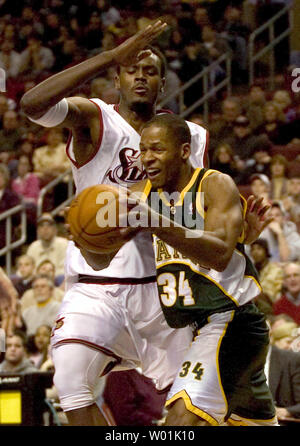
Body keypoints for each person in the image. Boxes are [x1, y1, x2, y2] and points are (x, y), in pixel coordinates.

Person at [20, 20, 209, 426]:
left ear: (163, 85)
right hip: (96, 285)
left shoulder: (190, 136)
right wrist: (108, 55)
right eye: (131, 69)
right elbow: (31, 106)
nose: (141, 77)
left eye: (150, 71)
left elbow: (197, 216)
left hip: (165, 287)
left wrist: (152, 215)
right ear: (118, 80)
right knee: (70, 379)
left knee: (195, 402)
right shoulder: (96, 120)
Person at [127, 113, 277, 426]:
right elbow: (101, 255)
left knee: (180, 420)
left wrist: (154, 220)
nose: (147, 158)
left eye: (157, 149)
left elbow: (220, 255)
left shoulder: (214, 185)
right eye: (143, 150)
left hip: (229, 321)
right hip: (200, 327)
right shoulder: (144, 194)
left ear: (183, 151)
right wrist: (88, 238)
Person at [249, 238, 283, 315]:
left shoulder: (276, 271)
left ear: (266, 251)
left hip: (271, 307)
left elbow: (278, 297)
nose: (255, 252)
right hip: (254, 306)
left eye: (259, 249)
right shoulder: (250, 272)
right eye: (253, 249)